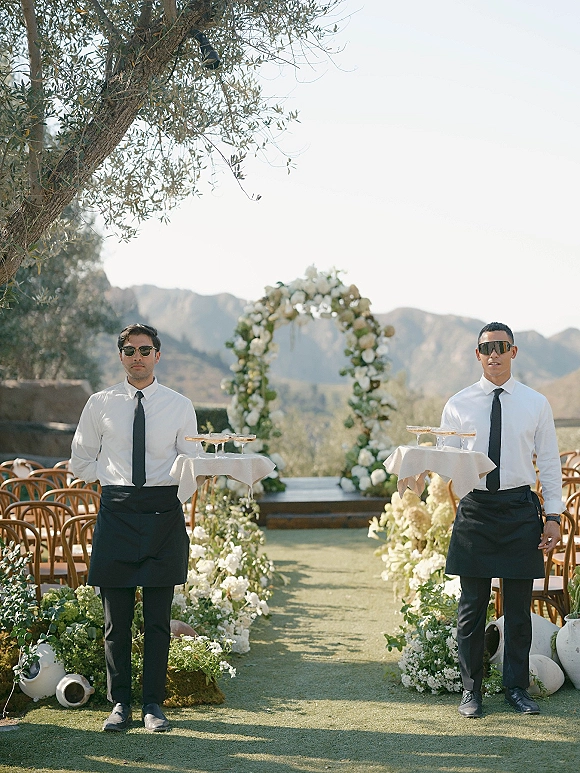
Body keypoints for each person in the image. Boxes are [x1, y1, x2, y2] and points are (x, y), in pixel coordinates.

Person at [70, 323, 198, 732]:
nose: (137, 357)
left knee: (158, 620)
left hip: (163, 516)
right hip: (118, 515)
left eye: (145, 350)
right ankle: (120, 704)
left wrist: (165, 500)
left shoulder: (180, 405)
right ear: (121, 356)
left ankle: (153, 706)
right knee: (116, 620)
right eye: (129, 350)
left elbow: (190, 464)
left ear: (158, 355)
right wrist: (113, 482)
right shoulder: (99, 403)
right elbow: (81, 460)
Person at [441, 322, 562, 718]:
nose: (494, 353)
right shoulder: (457, 404)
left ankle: (516, 688)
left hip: (519, 510)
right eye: (486, 347)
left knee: (518, 607)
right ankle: (471, 691)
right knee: (471, 606)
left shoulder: (535, 402)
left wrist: (554, 516)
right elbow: (447, 459)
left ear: (514, 351)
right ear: (477, 355)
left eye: (501, 346)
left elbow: (547, 464)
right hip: (476, 509)